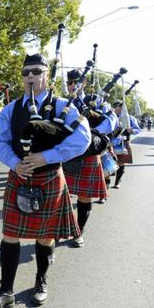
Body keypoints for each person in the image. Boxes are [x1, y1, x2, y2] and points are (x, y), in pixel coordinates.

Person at [0, 54, 90, 307]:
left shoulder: (63, 106)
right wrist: (14, 163)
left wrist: (47, 156)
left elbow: (82, 138)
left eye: (35, 71)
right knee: (10, 234)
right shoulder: (12, 109)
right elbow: (0, 140)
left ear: (46, 75)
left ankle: (41, 280)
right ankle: (6, 291)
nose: (30, 76)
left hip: (49, 176)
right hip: (19, 176)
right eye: (26, 72)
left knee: (45, 237)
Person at [62, 69, 117, 247]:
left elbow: (112, 121)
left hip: (88, 154)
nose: (72, 86)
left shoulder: (96, 100)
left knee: (85, 197)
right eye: (70, 83)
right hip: (66, 153)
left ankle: (79, 231)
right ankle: (62, 228)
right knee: (62, 196)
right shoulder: (61, 102)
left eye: (76, 82)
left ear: (83, 83)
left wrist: (92, 131)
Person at [111, 100, 141, 189]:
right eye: (118, 106)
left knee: (121, 163)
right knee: (108, 163)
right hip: (110, 143)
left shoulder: (130, 118)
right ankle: (105, 185)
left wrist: (132, 130)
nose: (119, 108)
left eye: (121, 106)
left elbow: (137, 129)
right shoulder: (110, 117)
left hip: (123, 143)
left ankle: (117, 181)